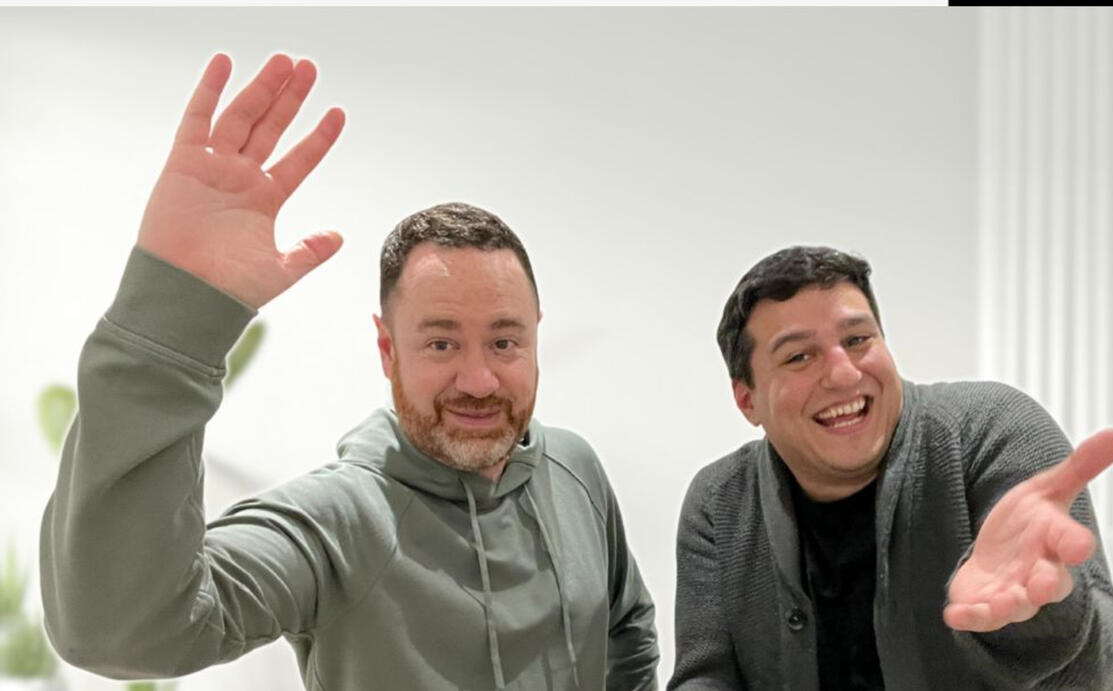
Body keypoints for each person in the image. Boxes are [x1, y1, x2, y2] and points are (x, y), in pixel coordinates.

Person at [40, 53, 658, 691]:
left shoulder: (574, 469)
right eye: (441, 344)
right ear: (388, 350)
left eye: (504, 342)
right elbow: (122, 631)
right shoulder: (338, 520)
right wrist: (174, 320)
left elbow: (627, 630)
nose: (478, 380)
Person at [668, 246, 1113, 689]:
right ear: (747, 400)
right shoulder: (718, 502)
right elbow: (707, 677)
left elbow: (1112, 671)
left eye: (857, 339)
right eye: (799, 356)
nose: (844, 373)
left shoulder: (995, 429)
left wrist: (1044, 614)